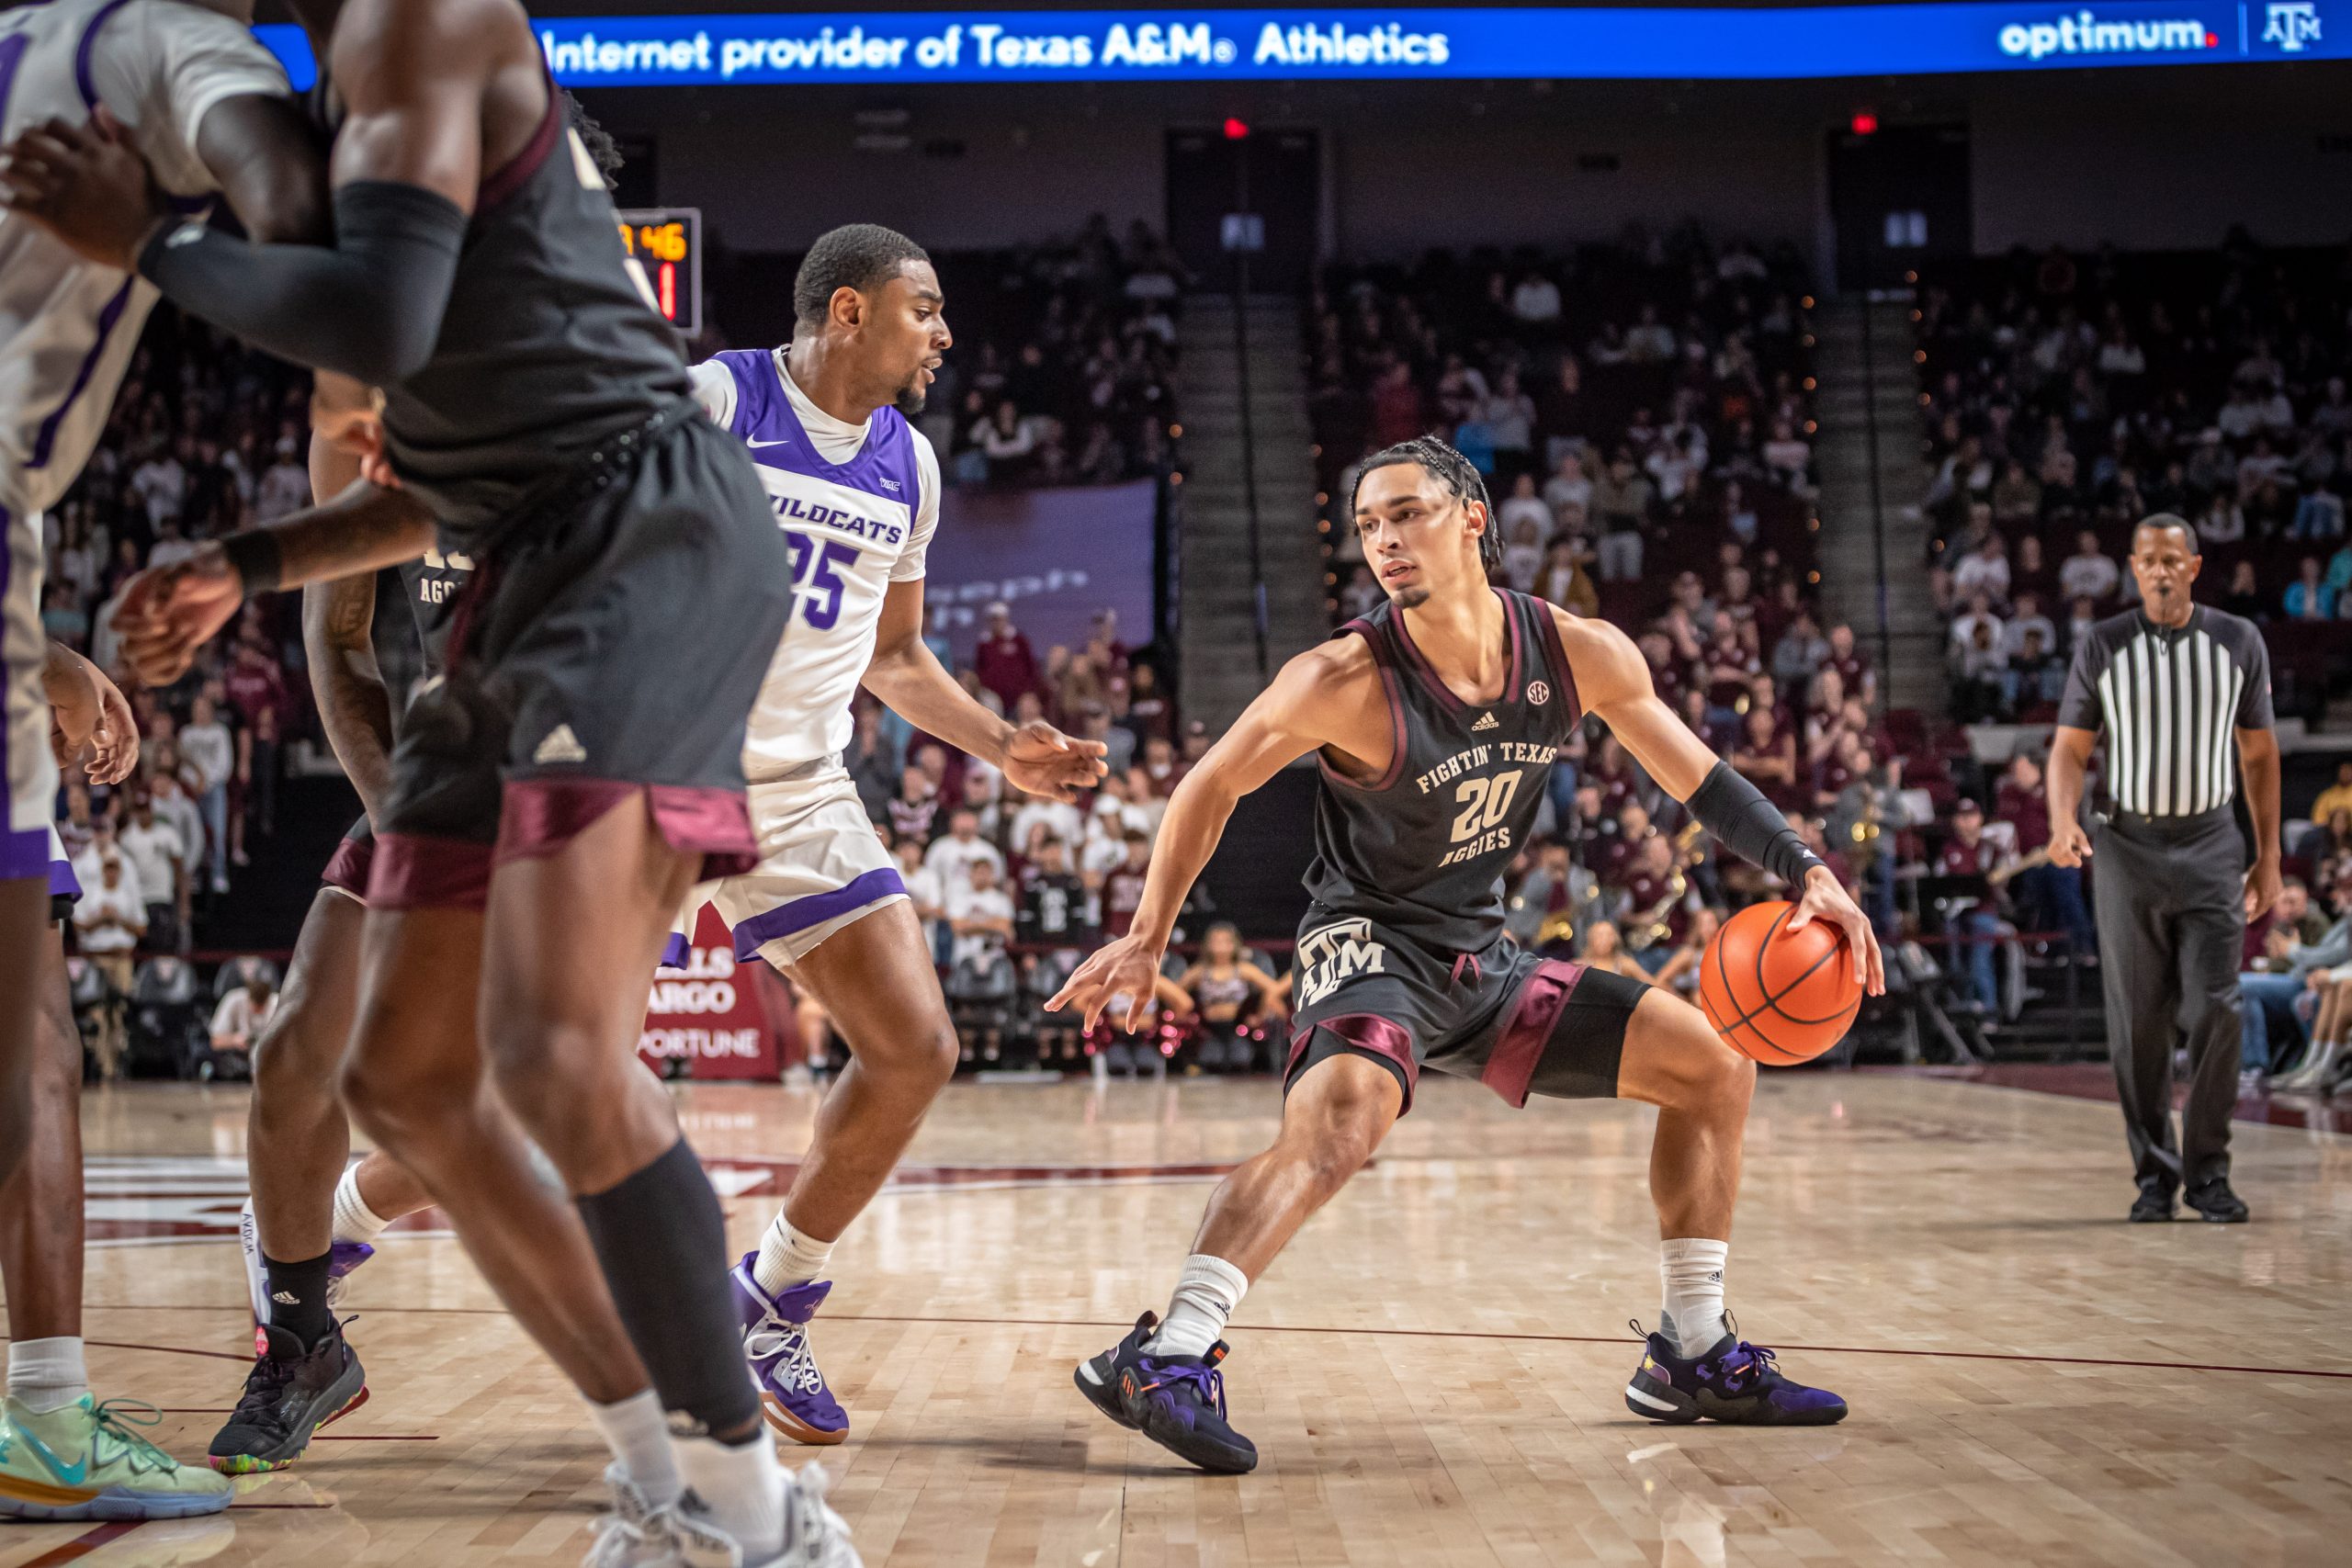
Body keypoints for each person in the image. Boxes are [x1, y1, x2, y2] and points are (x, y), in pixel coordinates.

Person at [13, 1, 857, 1556]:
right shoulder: (349, 84)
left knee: (549, 1053)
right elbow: (458, 464)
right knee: (401, 1075)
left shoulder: (423, 16)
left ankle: (756, 1512)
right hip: (528, 563)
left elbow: (385, 330)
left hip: (641, 539)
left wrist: (150, 247)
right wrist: (249, 561)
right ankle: (666, 1483)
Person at [1052, 435, 1879, 1473]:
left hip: (1479, 962)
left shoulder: (1577, 650)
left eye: (1407, 514)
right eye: (1367, 526)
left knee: (1712, 1065)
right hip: (1366, 942)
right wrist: (1146, 937)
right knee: (1343, 1125)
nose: (1386, 541)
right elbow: (1207, 785)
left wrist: (1806, 868)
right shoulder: (1341, 677)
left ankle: (1692, 1350)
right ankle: (1169, 1355)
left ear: (1473, 517)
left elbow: (1696, 776)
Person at [669, 226, 1102, 1446]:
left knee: (914, 1045)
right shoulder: (718, 399)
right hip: (654, 768)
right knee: (512, 1091)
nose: (945, 334)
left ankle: (773, 1299)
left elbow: (898, 655)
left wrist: (998, 744)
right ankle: (312, 1249)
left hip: (799, 785)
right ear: (849, 310)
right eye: (927, 310)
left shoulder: (908, 462)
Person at [2048, 516, 2280, 1224]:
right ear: (2132, 566)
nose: (2160, 570)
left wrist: (2267, 855)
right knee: (2139, 1022)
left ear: (2195, 565)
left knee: (2218, 1006)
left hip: (2214, 843)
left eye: (2172, 559)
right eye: (2148, 560)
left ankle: (2209, 1171)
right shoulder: (2105, 643)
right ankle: (2155, 1174)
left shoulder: (2238, 640)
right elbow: (2068, 750)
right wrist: (2063, 818)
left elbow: (2260, 757)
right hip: (2128, 847)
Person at [209, 961, 278, 1059]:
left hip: (270, 1058)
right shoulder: (234, 999)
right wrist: (234, 1040)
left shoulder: (277, 1003)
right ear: (248, 996)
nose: (258, 1010)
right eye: (255, 1006)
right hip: (237, 1060)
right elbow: (215, 1042)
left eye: (261, 1006)